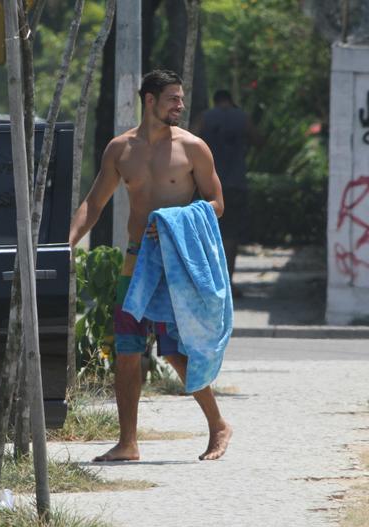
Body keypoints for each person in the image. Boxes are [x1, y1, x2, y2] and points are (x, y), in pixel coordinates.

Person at [69, 69, 232, 462]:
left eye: (180, 98)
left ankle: (218, 425)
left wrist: (175, 221)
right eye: (173, 98)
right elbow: (94, 203)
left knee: (177, 353)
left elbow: (217, 204)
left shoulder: (193, 148)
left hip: (176, 267)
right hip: (135, 263)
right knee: (126, 350)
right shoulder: (120, 150)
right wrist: (66, 243)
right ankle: (128, 443)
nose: (180, 105)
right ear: (149, 100)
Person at [198, 89, 262, 298]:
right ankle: (228, 282)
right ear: (230, 101)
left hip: (207, 185)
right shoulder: (242, 117)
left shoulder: (205, 118)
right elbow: (259, 140)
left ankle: (209, 283)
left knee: (207, 234)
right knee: (231, 237)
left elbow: (188, 139)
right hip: (235, 184)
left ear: (215, 101)